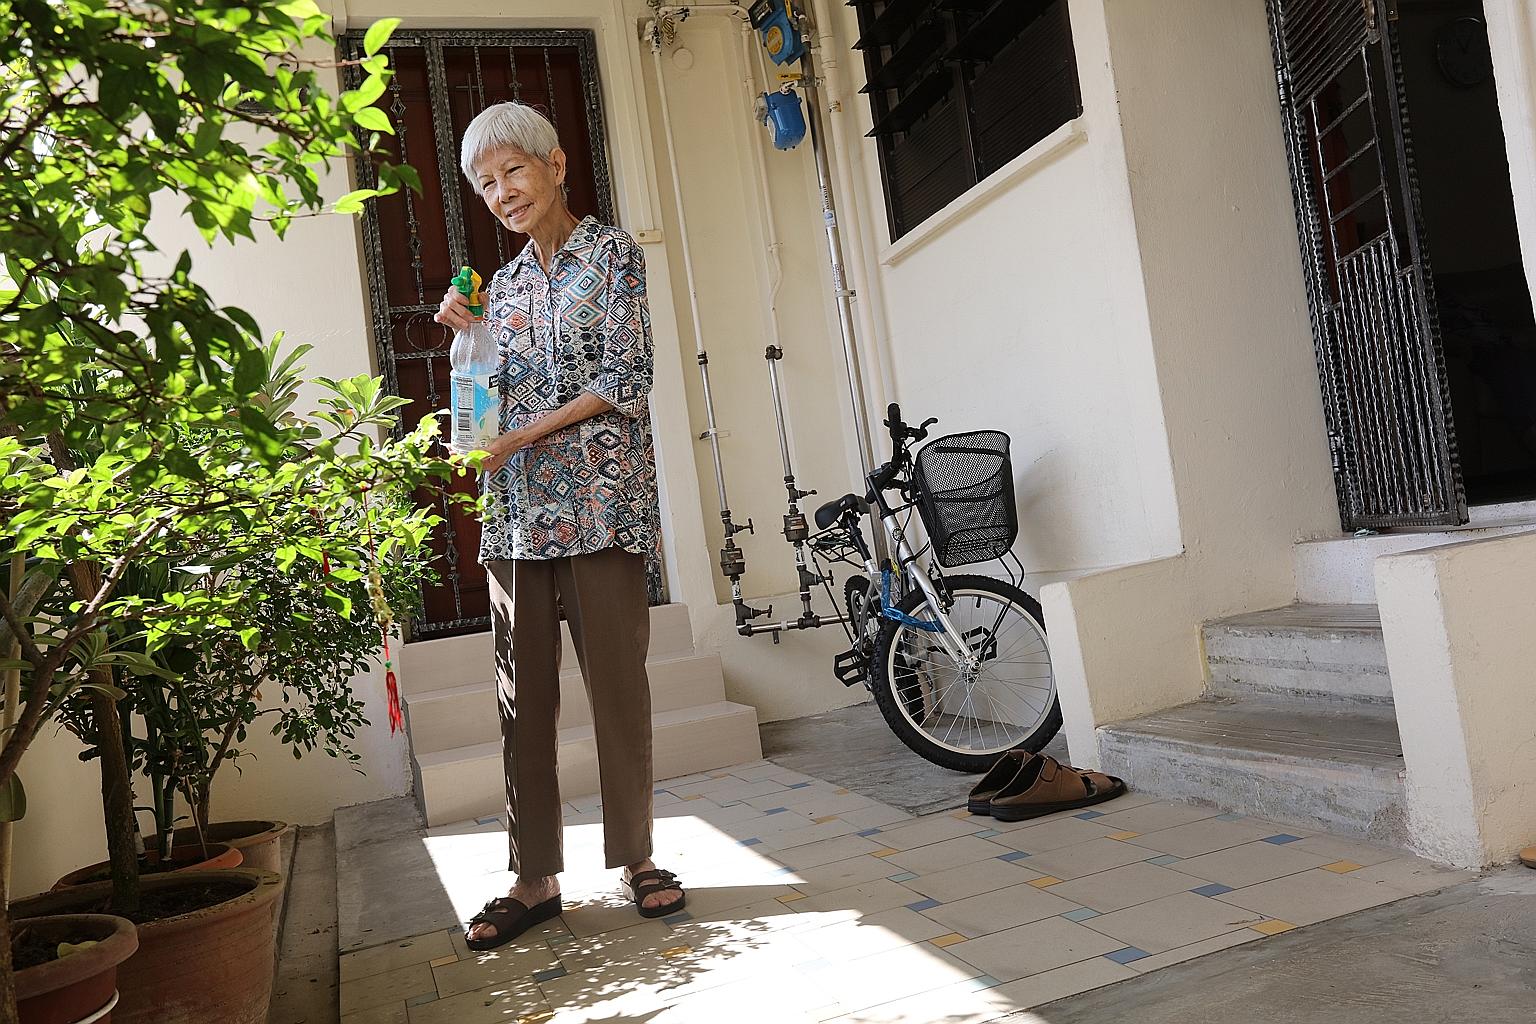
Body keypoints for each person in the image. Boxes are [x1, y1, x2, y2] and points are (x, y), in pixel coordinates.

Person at [434, 101, 683, 952]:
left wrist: (519, 434)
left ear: (556, 165)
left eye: (515, 171)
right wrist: (465, 348)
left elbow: (626, 376)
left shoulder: (613, 256)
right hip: (515, 517)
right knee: (521, 698)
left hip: (602, 500)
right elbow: (481, 409)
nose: (503, 192)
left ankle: (638, 857)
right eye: (486, 182)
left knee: (618, 684)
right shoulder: (495, 289)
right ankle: (533, 877)